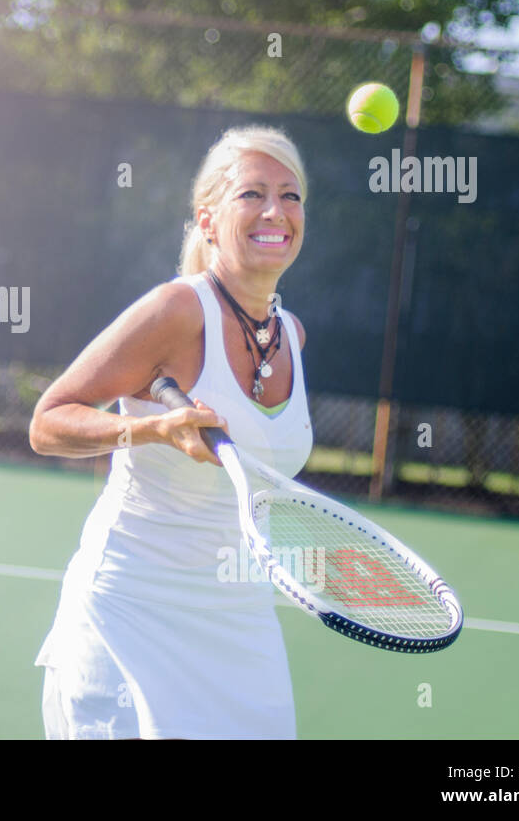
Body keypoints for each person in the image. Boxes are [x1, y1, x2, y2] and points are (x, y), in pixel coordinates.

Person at [28, 125, 313, 739]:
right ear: (208, 220)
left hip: (241, 618)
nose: (276, 211)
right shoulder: (176, 310)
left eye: (291, 196)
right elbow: (49, 421)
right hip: (131, 609)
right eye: (253, 194)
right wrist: (154, 430)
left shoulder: (293, 334)